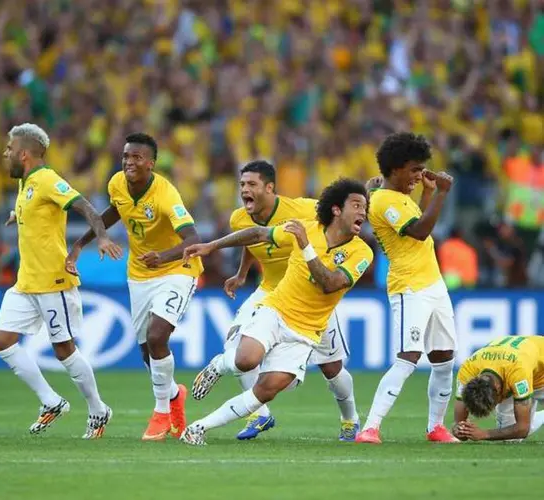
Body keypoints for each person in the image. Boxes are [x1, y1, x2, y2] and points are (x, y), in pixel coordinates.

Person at [179, 178, 373, 446]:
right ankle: (220, 364)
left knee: (268, 390)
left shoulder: (362, 251)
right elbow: (259, 235)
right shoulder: (307, 228)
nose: (363, 212)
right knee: (245, 360)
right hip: (276, 310)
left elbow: (330, 284)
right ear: (337, 210)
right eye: (356, 205)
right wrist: (212, 246)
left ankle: (198, 427)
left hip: (306, 332)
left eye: (365, 207)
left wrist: (305, 247)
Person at [69, 133, 202, 441]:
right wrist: (82, 242)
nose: (129, 162)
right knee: (147, 351)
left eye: (137, 157)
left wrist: (164, 256)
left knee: (158, 336)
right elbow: (115, 210)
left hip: (177, 269)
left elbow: (194, 239)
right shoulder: (116, 183)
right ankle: (174, 396)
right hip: (140, 274)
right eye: (126, 156)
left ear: (151, 164)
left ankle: (160, 413)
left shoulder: (166, 195)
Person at [0, 123, 122, 439]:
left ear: (24, 153)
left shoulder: (48, 180)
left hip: (52, 280)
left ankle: (98, 409)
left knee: (64, 349)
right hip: (26, 283)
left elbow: (87, 208)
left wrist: (102, 238)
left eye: (9, 149)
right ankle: (51, 401)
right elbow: (35, 213)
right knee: (2, 342)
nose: (5, 153)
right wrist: (17, 216)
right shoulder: (25, 185)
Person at [356, 132, 458, 444]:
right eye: (415, 170)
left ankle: (436, 427)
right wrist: (441, 193)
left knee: (444, 358)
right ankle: (370, 427)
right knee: (408, 357)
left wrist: (428, 195)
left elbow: (420, 226)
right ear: (396, 168)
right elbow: (419, 231)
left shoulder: (400, 199)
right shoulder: (385, 201)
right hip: (409, 286)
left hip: (433, 283)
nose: (418, 175)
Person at [453, 335, 544, 442]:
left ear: (497, 388)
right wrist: (460, 430)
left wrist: (484, 434)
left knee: (518, 430)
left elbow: (523, 429)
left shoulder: (517, 371)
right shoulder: (467, 370)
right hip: (515, 372)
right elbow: (459, 426)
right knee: (510, 440)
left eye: (494, 403)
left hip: (538, 370)